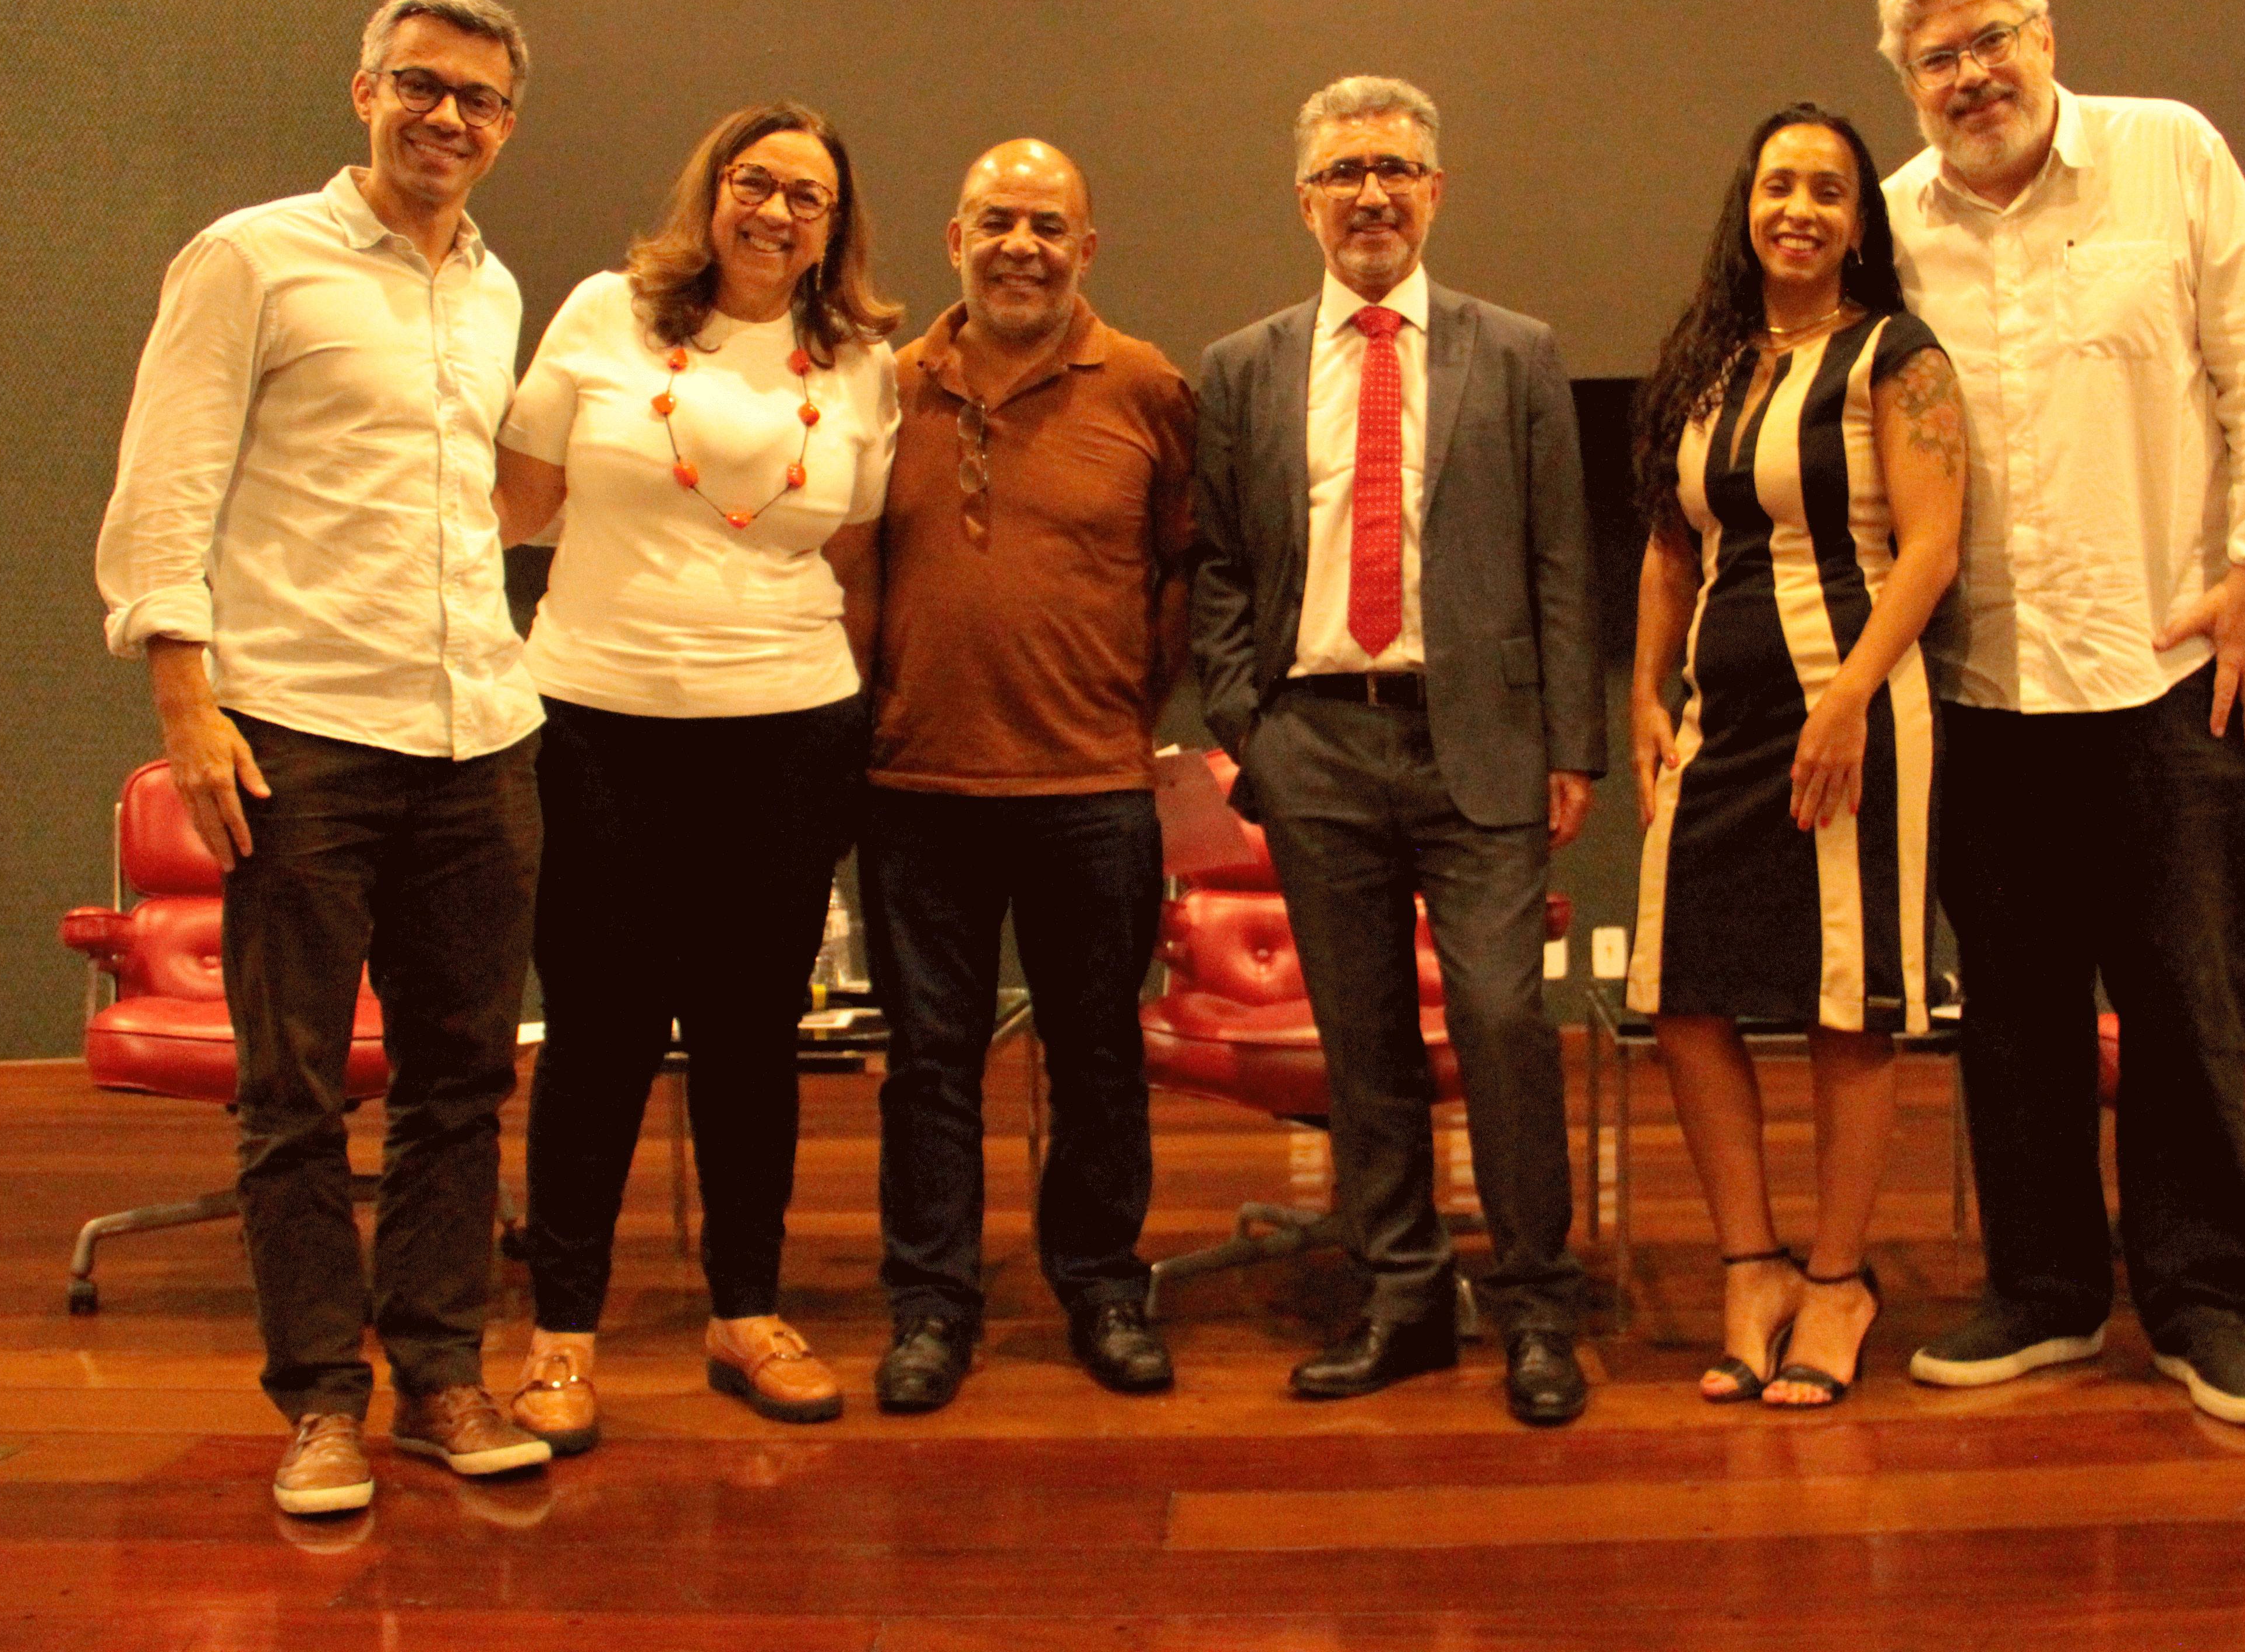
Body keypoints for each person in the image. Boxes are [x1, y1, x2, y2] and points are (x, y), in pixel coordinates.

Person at [97, 0, 554, 1515]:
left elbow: (479, 505)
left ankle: (439, 1376)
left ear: (506, 126)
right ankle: (318, 1403)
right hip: (301, 733)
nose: (446, 118)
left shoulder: (494, 289)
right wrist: (186, 701)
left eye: (477, 99)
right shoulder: (252, 257)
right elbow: (166, 481)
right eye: (420, 85)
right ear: (365, 91)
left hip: (480, 733)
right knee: (292, 1091)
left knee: (460, 1083)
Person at [1872, 0, 2245, 1427]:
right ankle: (2047, 1294)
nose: (1971, 76)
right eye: (1937, 59)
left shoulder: (2171, 155)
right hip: (1980, 691)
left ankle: (2200, 1304)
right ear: (1908, 83)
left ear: (2046, 34)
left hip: (2169, 673)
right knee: (2013, 1016)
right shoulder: (1892, 226)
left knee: (2189, 1009)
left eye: (1991, 39)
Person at [1191, 76, 1604, 1426]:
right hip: (1314, 743)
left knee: (1501, 1022)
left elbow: (1561, 558)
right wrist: (1249, 729)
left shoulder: (1517, 352)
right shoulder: (1243, 368)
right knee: (1362, 1039)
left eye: (1394, 170)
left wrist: (1573, 745)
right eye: (1343, 173)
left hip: (1480, 743)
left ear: (1435, 191)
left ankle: (1536, 1311)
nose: (1370, 193)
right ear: (1304, 201)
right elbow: (1220, 568)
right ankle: (1404, 1300)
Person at [490, 103, 899, 1450]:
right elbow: (514, 507)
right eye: (753, 182)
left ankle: (746, 1312)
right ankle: (562, 1336)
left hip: (788, 735)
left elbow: (851, 557)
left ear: (835, 226)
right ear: (711, 191)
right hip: (599, 724)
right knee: (599, 1035)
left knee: (751, 1038)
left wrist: (854, 718)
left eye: (806, 196)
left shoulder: (862, 366)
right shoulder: (601, 315)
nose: (775, 212)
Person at [1625, 103, 1964, 1409]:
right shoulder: (1710, 363)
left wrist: (1852, 697)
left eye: (1828, 190)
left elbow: (1931, 546)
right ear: (1748, 207)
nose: (1800, 211)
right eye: (1779, 186)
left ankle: (1836, 1281)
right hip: (1720, 723)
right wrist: (1644, 695)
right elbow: (1671, 546)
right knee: (1685, 991)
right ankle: (1750, 1268)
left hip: (1853, 715)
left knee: (1847, 999)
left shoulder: (1896, 356)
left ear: (1860, 221)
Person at [857, 139, 1196, 1413]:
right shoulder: (886, 387)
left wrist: (1122, 711)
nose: (1022, 247)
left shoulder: (1147, 385)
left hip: (1092, 793)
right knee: (929, 1067)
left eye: (1049, 227)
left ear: (1086, 249)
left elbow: (1182, 570)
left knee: (1098, 1060)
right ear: (955, 240)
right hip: (916, 790)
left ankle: (1102, 1285)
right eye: (997, 221)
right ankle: (931, 1305)